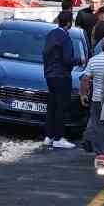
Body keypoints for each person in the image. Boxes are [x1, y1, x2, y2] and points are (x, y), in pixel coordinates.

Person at [41, 12, 79, 150]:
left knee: (52, 105)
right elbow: (67, 59)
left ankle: (49, 136)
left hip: (50, 75)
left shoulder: (51, 34)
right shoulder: (65, 38)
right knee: (61, 107)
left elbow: (45, 54)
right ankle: (58, 137)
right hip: (62, 75)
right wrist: (79, 60)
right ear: (69, 23)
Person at [80, 34, 104, 152]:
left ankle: (99, 151)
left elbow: (85, 78)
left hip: (97, 99)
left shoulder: (93, 60)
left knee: (97, 126)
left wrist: (83, 94)